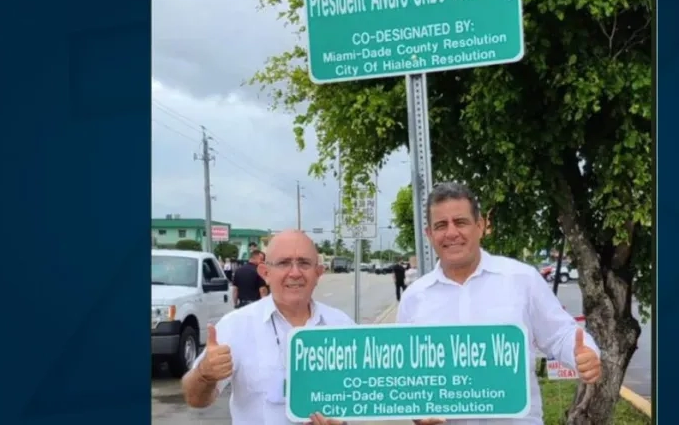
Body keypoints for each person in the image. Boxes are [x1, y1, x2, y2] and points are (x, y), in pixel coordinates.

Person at [397, 182, 603, 425]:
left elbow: (560, 335)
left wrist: (585, 353)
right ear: (429, 234)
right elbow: (407, 380)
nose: (451, 233)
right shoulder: (414, 297)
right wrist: (419, 417)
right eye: (441, 225)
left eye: (460, 222)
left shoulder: (522, 279)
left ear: (480, 226)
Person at [181, 230, 350, 425]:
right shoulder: (237, 325)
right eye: (283, 263)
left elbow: (361, 401)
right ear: (265, 273)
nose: (295, 273)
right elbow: (195, 399)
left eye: (304, 263)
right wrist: (204, 374)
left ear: (318, 273)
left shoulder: (342, 326)